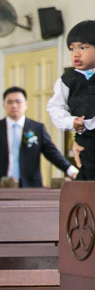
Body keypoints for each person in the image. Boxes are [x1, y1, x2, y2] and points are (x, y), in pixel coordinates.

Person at [0, 86, 77, 187]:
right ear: (4, 105)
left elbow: (53, 154)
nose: (14, 105)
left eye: (18, 101)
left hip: (30, 185)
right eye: (10, 102)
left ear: (26, 104)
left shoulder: (37, 128)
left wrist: (70, 170)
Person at [47, 20, 95, 180]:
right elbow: (55, 107)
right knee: (88, 178)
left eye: (83, 48)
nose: (76, 53)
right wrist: (71, 121)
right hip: (87, 139)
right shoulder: (67, 80)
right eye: (72, 48)